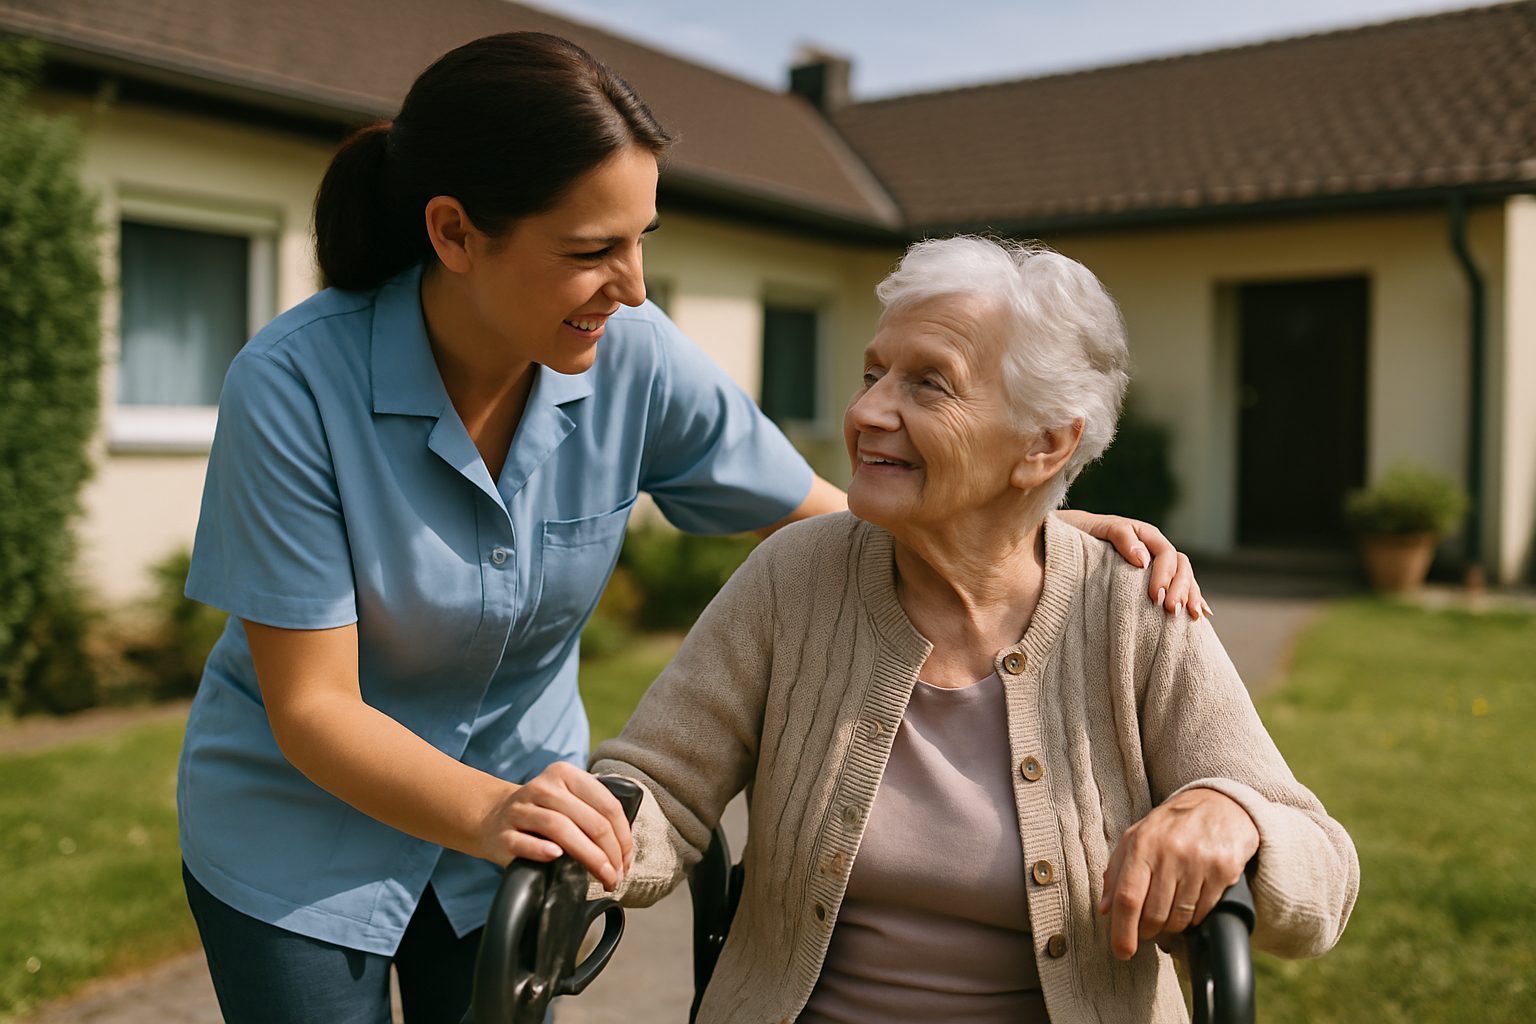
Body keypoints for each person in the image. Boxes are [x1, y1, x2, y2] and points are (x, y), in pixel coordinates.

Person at [177, 33, 1208, 1024]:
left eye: (641, 243)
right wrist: (491, 811)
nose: (630, 287)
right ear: (454, 233)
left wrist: (1026, 515)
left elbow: (827, 521)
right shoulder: (294, 385)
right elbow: (312, 707)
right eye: (592, 251)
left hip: (516, 828)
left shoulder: (631, 355)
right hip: (297, 836)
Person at [572, 237, 1359, 1024]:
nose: (868, 412)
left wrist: (1236, 815)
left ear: (1045, 444)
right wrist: (586, 833)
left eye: (928, 384)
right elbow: (662, 789)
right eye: (873, 374)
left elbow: (1323, 871)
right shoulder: (792, 577)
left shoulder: (1132, 607)